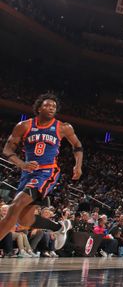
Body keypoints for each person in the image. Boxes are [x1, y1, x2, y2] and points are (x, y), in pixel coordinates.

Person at [0, 93, 81, 243]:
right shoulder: (24, 126)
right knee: (24, 220)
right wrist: (21, 164)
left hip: (47, 172)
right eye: (47, 105)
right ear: (38, 108)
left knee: (13, 208)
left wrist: (78, 165)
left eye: (54, 106)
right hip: (27, 173)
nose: (51, 108)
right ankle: (59, 227)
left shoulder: (63, 127)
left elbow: (77, 145)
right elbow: (7, 150)